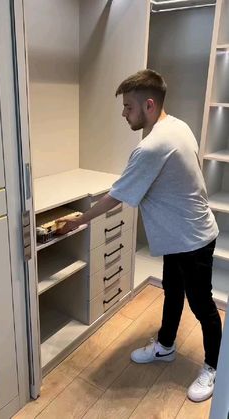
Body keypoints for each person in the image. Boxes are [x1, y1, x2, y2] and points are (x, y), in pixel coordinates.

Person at [58, 69, 222, 403]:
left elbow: (116, 196)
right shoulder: (177, 125)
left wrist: (78, 220)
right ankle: (165, 346)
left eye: (128, 107)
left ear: (149, 105)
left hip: (193, 239)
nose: (123, 113)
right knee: (173, 292)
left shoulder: (153, 146)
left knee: (202, 305)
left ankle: (214, 366)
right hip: (182, 236)